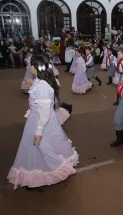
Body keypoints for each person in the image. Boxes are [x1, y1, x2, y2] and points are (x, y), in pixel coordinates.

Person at [7, 54, 78, 189]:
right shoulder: (41, 82)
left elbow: (44, 110)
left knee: (42, 144)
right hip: (41, 117)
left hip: (40, 118)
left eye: (30, 64)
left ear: (34, 67)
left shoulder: (43, 86)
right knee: (48, 142)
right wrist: (32, 83)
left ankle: (55, 168)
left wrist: (39, 130)